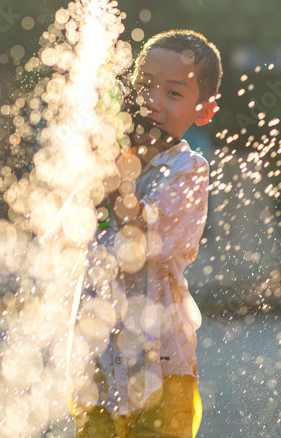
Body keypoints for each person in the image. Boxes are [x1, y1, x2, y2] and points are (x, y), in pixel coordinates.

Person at [68, 30, 222, 438]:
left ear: (203, 111)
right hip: (98, 356)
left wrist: (118, 170)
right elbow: (69, 227)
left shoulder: (189, 170)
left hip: (161, 362)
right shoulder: (113, 157)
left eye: (173, 93)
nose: (153, 101)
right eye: (145, 86)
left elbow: (140, 239)